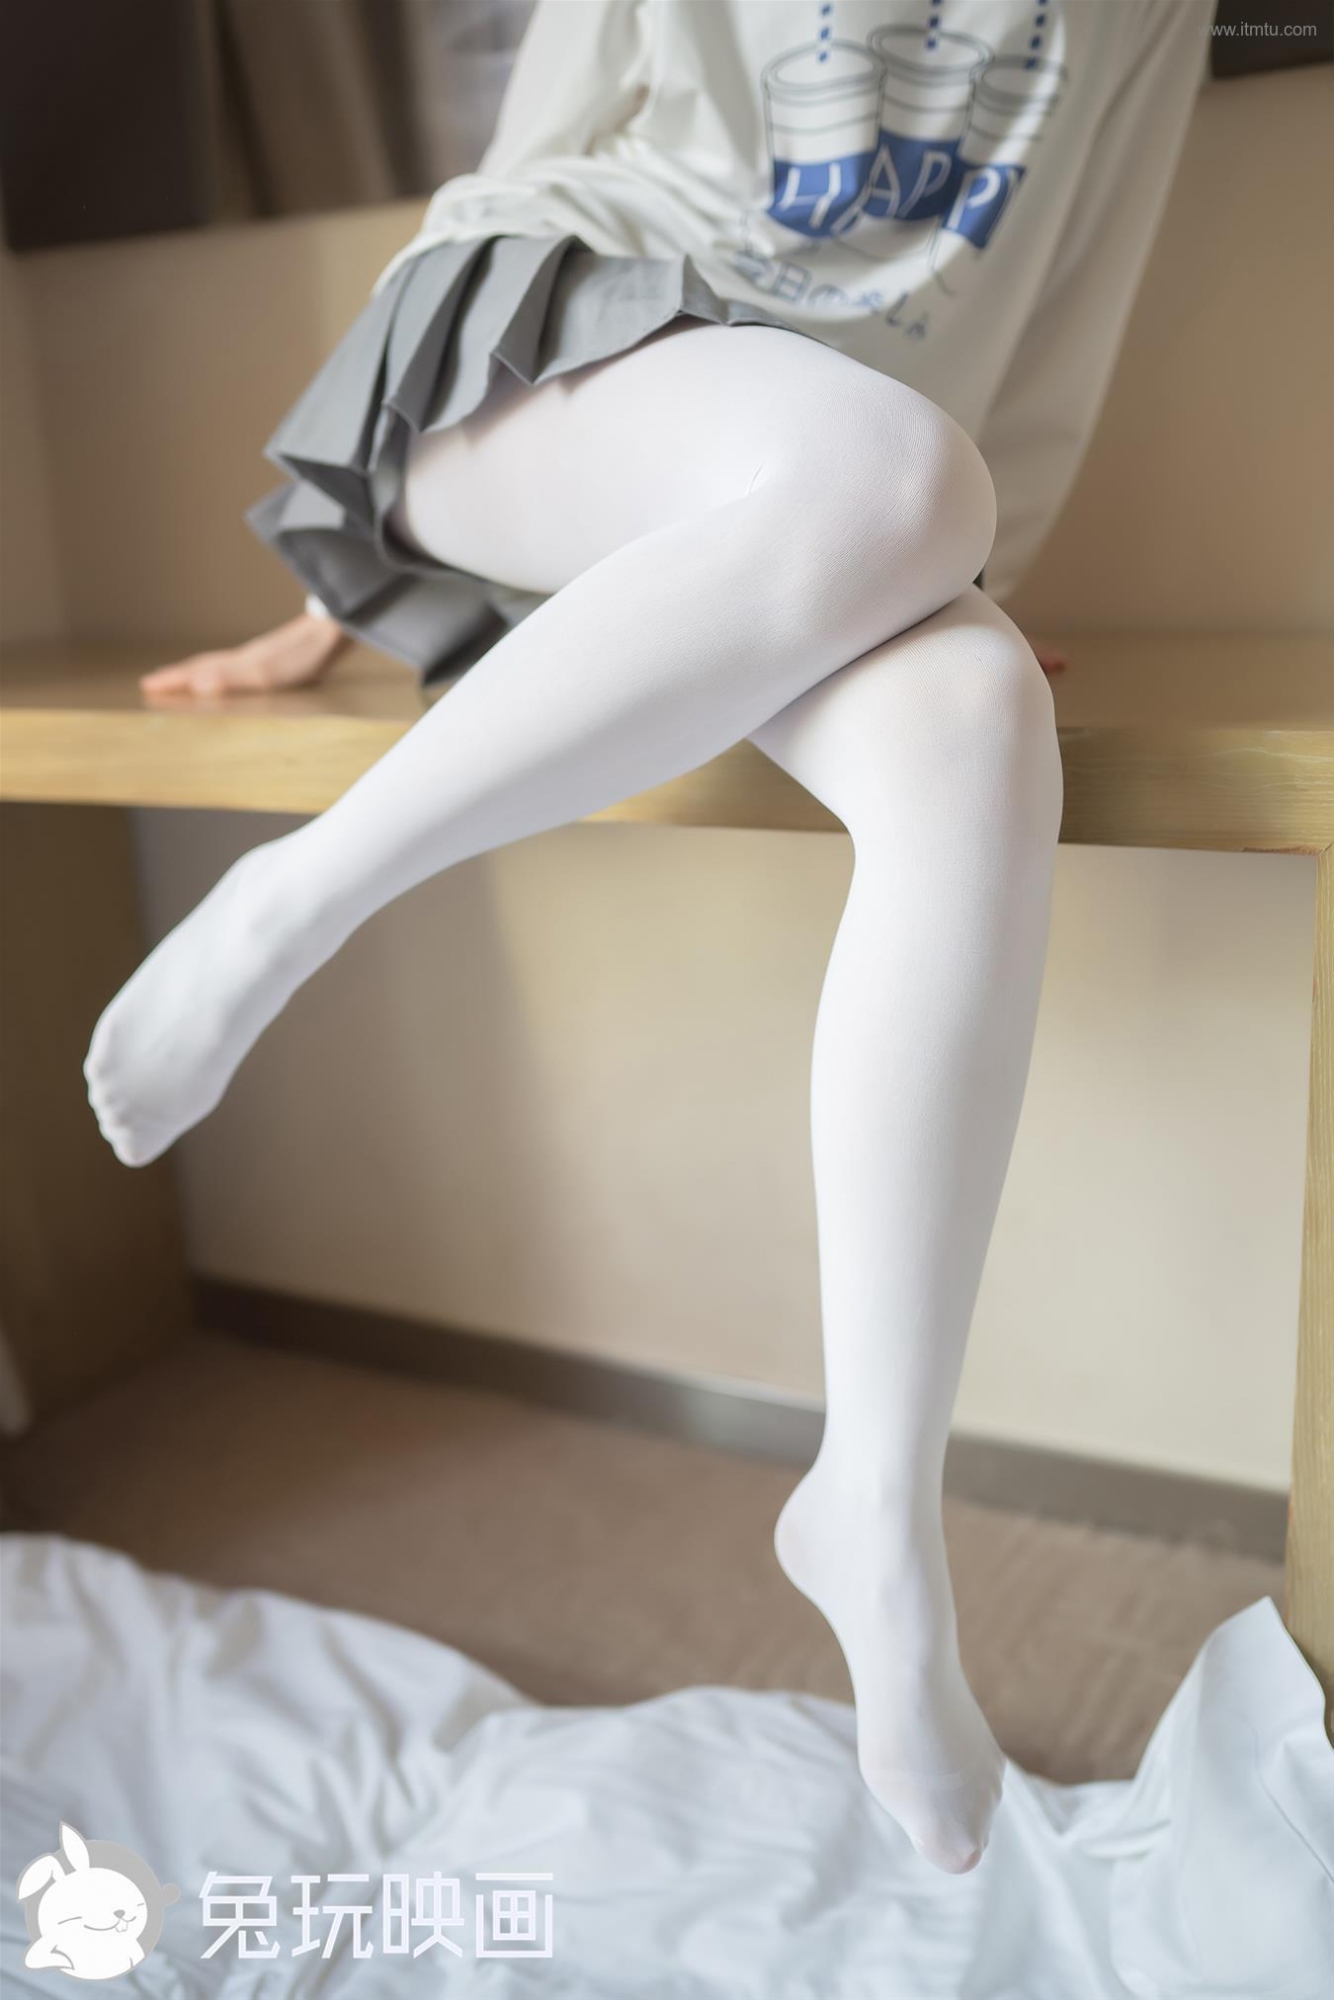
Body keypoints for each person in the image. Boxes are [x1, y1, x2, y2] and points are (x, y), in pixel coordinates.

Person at [85, 1, 1213, 1875]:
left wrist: (966, 564)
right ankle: (297, 894)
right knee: (896, 479)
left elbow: (1058, 295)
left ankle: (876, 1504)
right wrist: (347, 595)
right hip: (554, 350)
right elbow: (540, 144)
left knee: (972, 714)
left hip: (841, 472)